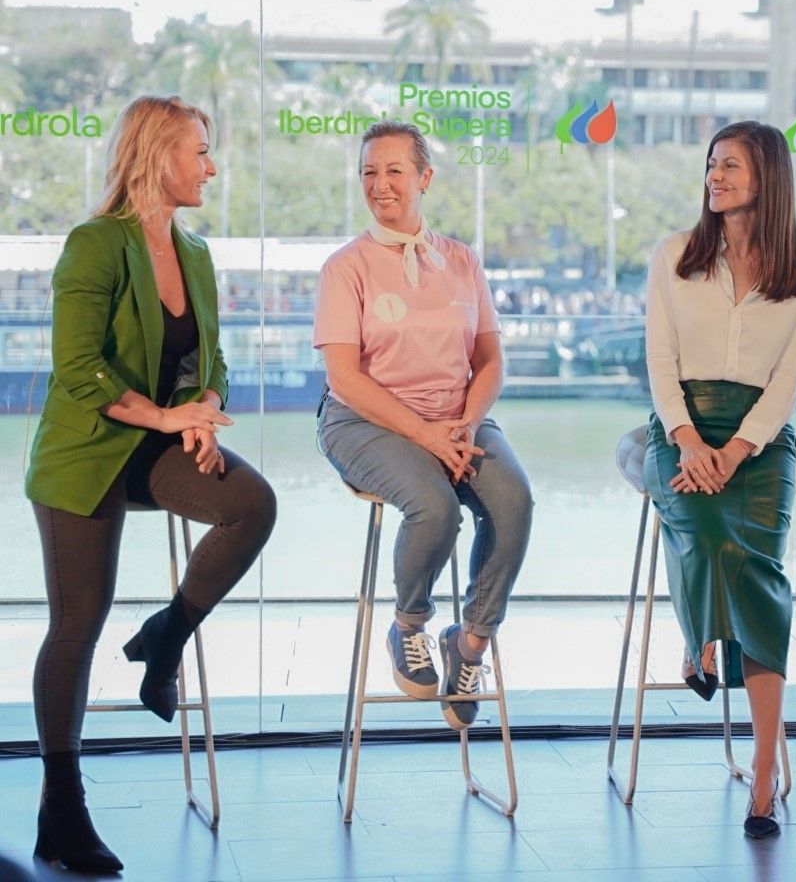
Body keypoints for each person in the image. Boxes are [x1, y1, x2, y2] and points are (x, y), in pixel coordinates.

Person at [24, 95, 277, 873]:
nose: (211, 166)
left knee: (251, 505)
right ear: (158, 155)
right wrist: (168, 418)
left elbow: (213, 357)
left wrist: (203, 409)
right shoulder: (96, 243)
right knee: (78, 624)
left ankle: (165, 635)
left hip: (157, 444)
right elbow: (78, 368)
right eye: (200, 151)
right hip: (85, 451)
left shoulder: (195, 251)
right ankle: (62, 809)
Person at [315, 120, 533, 732]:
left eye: (394, 171)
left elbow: (490, 361)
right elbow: (344, 378)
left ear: (425, 179)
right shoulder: (345, 268)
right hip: (365, 420)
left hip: (458, 417)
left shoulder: (462, 260)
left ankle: (470, 643)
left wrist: (466, 422)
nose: (379, 184)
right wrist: (427, 434)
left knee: (514, 501)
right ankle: (408, 624)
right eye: (369, 172)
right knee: (436, 509)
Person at [643, 120, 796, 840]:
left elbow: (787, 383)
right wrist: (690, 443)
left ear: (767, 179)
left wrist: (739, 449)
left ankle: (764, 770)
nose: (715, 177)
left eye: (732, 167)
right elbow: (659, 361)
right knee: (709, 528)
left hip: (762, 441)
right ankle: (699, 638)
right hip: (682, 427)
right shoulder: (674, 256)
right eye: (713, 164)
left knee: (754, 569)